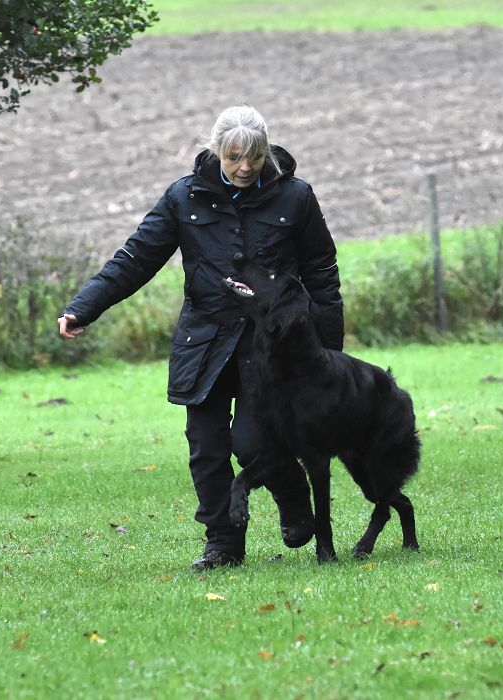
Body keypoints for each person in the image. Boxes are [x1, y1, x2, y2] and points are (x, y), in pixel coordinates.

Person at [58, 105, 344, 571]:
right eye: (234, 157)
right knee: (207, 448)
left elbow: (321, 274)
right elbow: (136, 258)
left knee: (253, 442)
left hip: (271, 348)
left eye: (253, 156)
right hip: (204, 341)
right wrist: (83, 306)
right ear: (216, 151)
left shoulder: (295, 198)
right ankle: (223, 545)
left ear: (266, 151)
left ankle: (293, 498)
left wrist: (329, 355)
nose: (245, 167)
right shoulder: (183, 197)